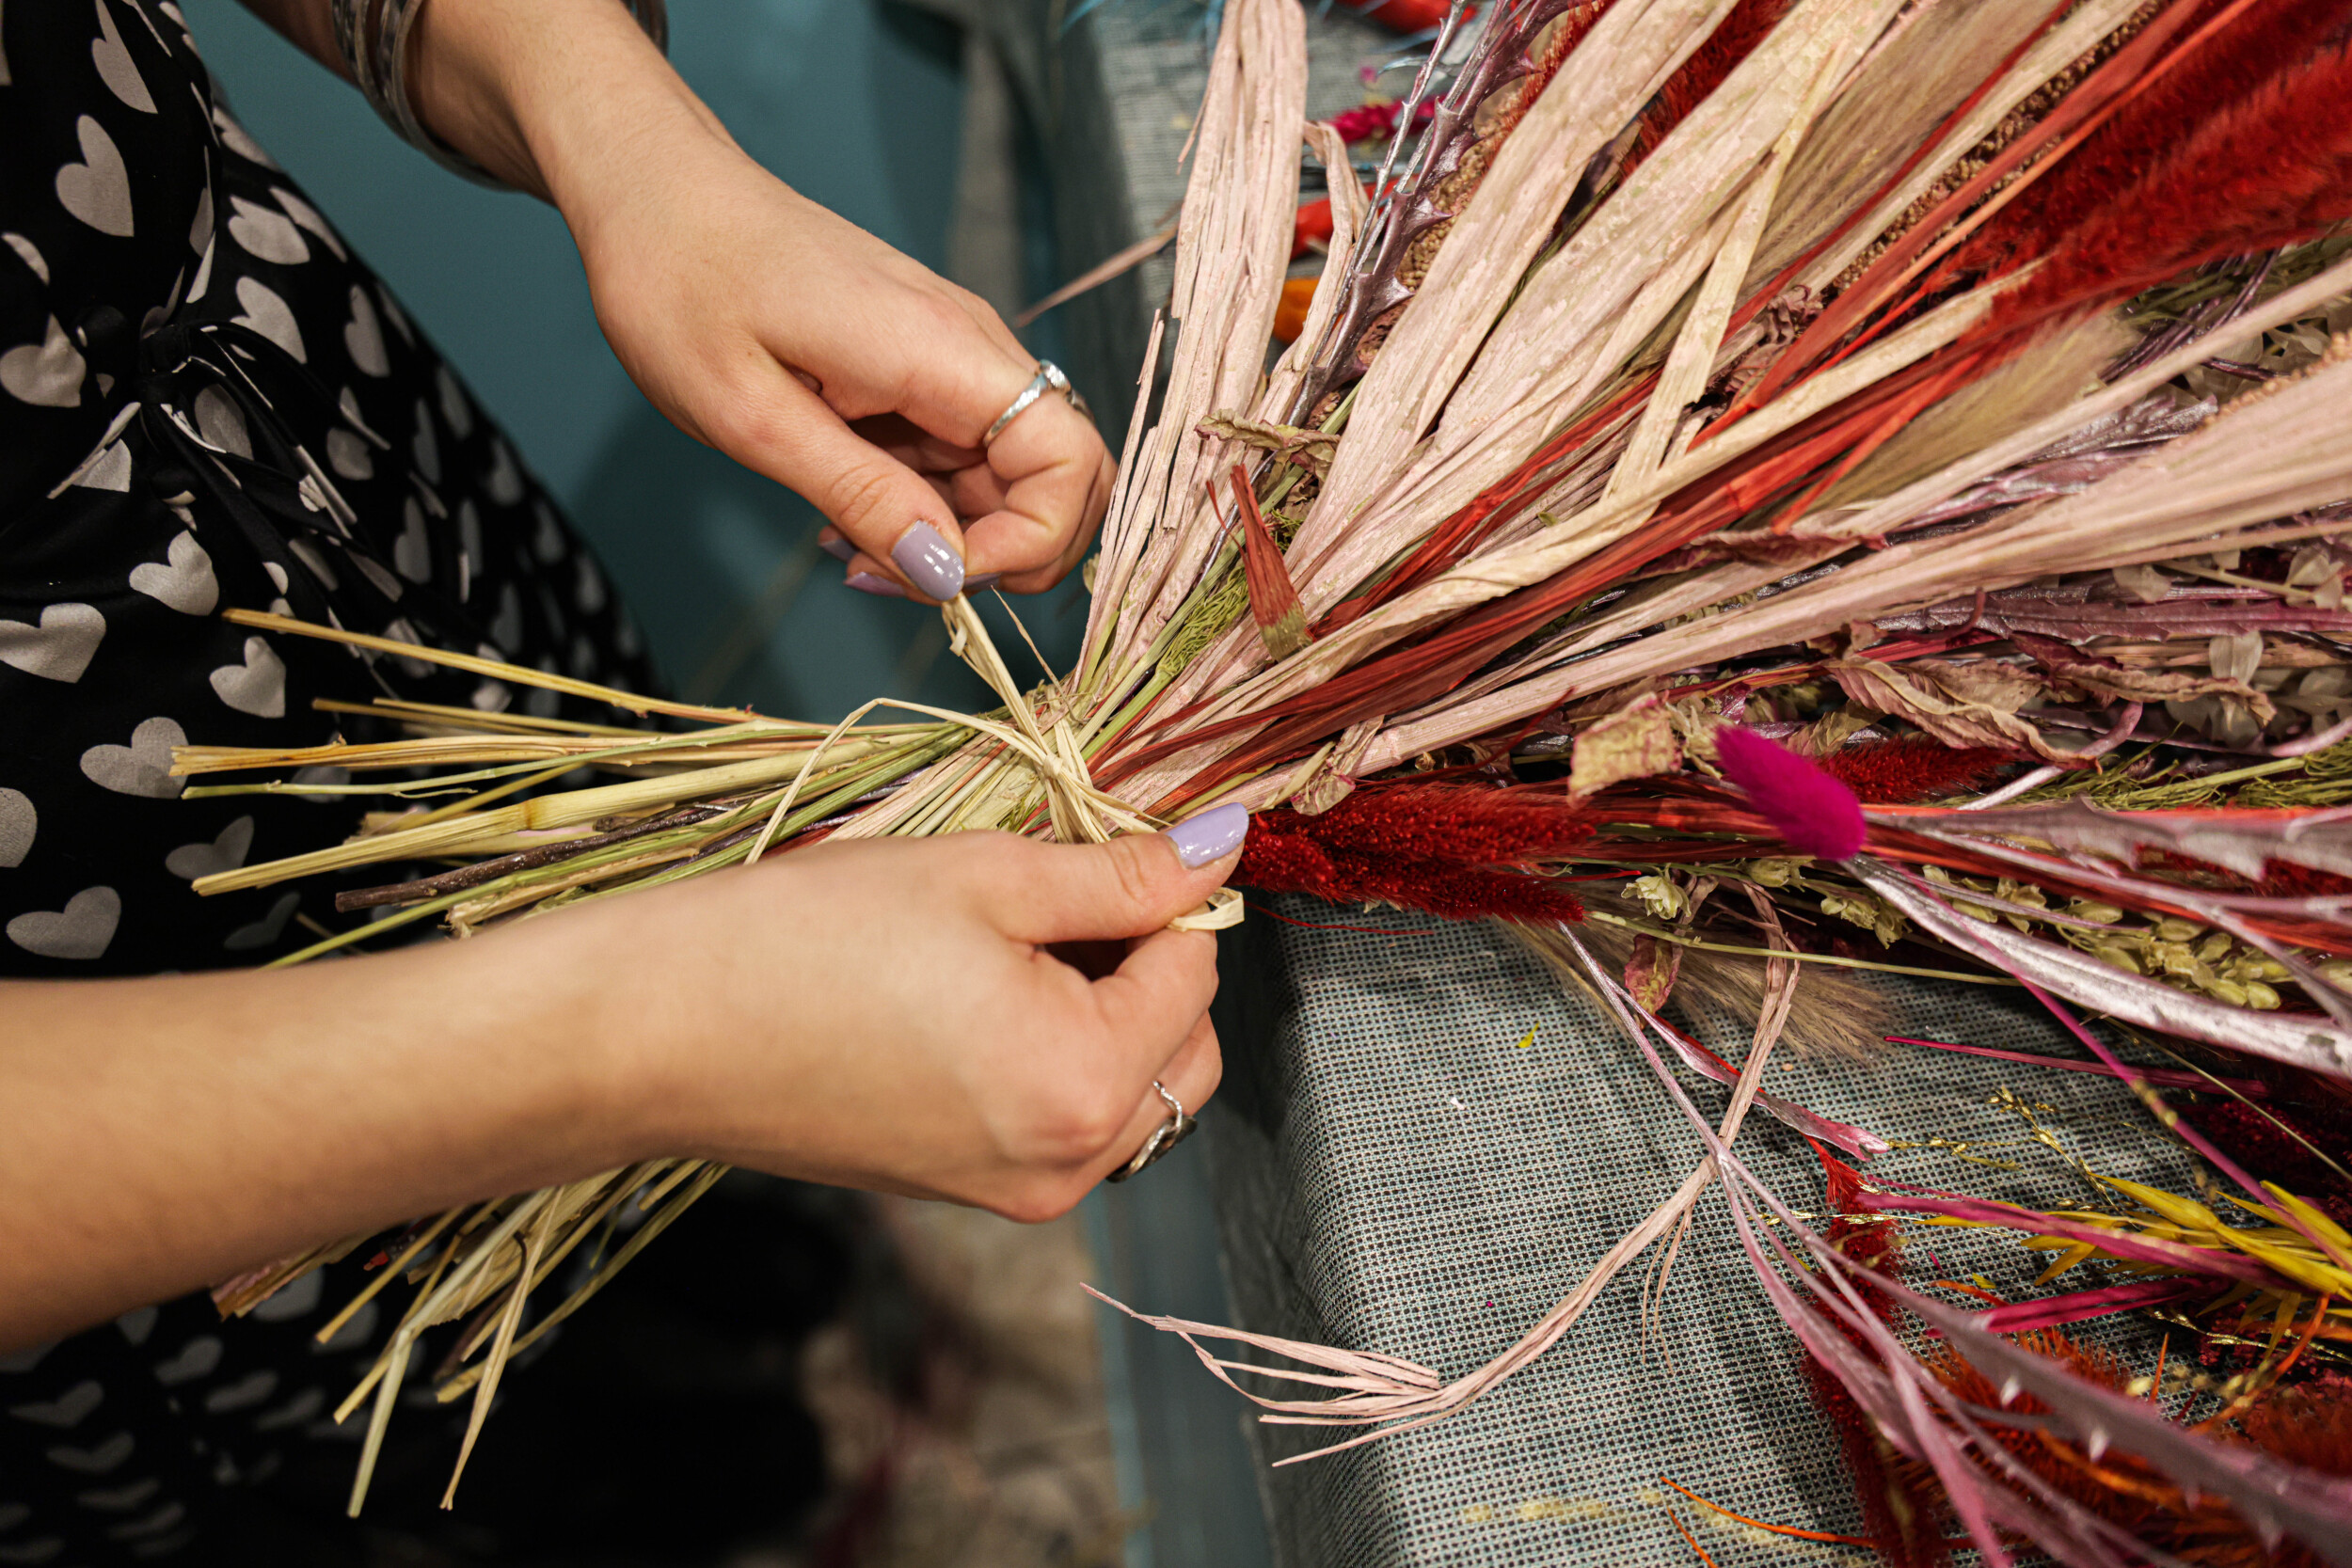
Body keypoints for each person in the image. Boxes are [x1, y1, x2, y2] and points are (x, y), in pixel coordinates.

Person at [0, 0, 1241, 1559]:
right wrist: (642, 1035)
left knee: (677, 1315)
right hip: (92, 1085)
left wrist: (618, 127)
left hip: (373, 517)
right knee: (387, 1473)